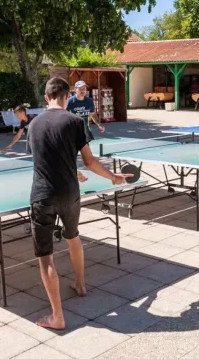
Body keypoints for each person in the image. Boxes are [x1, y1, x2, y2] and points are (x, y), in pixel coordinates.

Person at [26, 77, 131, 330]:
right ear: (66, 96)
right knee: (73, 237)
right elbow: (89, 162)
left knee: (45, 256)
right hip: (70, 193)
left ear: (46, 97)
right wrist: (113, 176)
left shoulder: (33, 124)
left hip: (43, 194)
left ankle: (57, 316)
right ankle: (81, 285)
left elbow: (43, 159)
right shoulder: (75, 122)